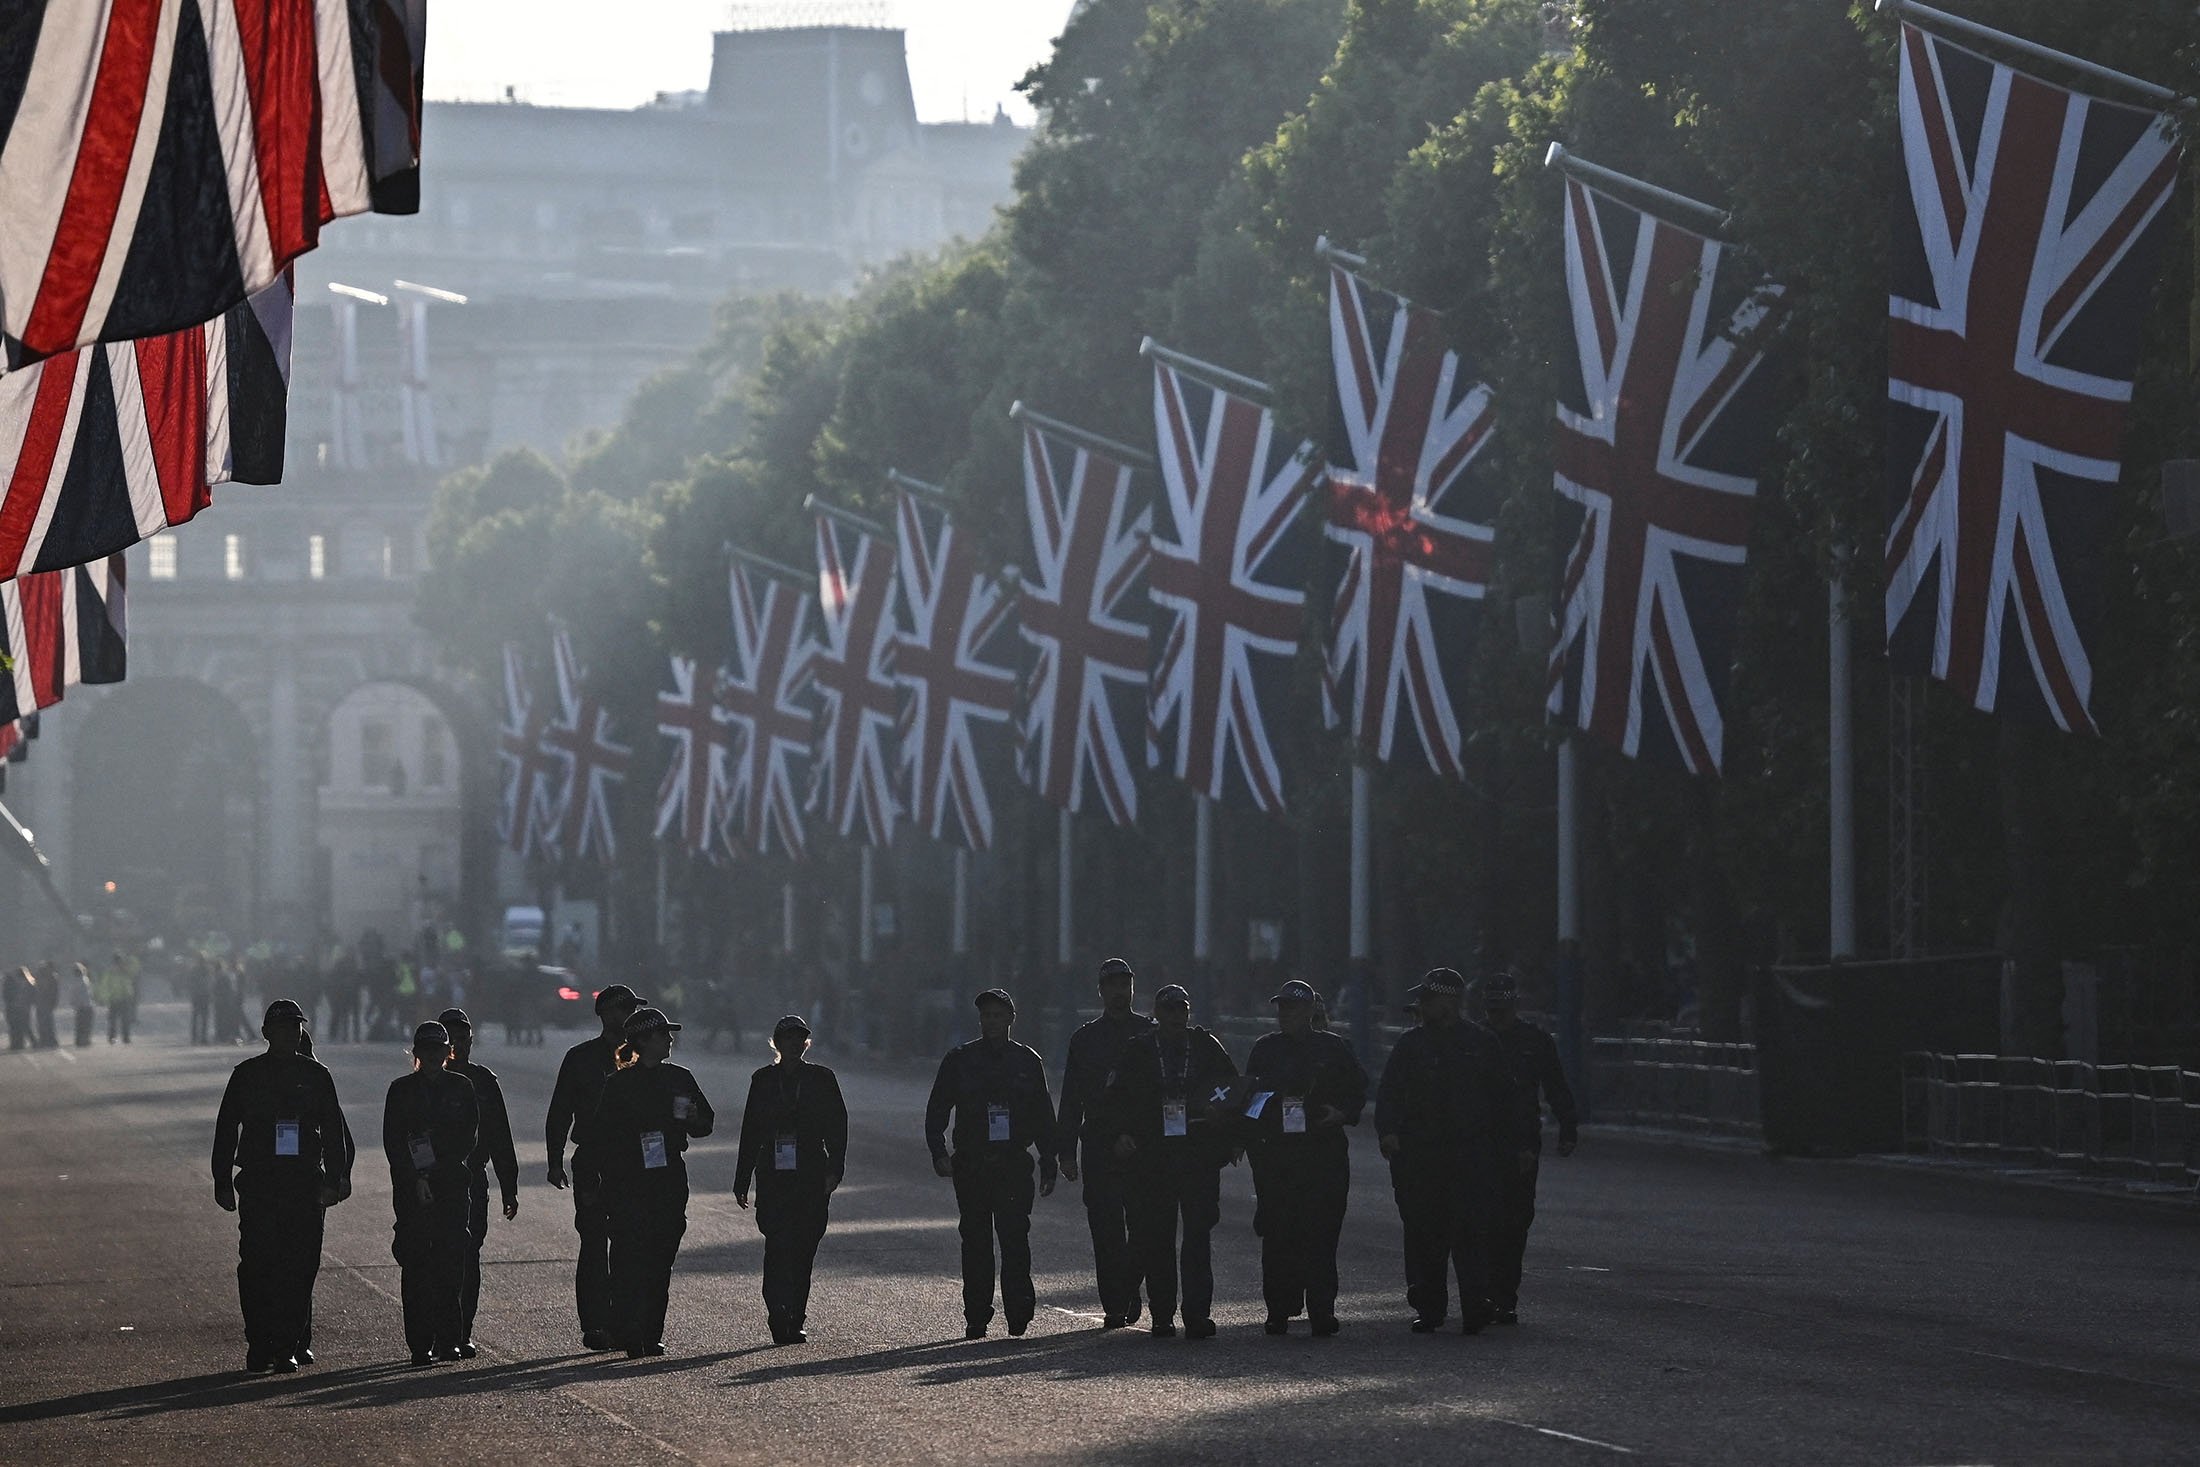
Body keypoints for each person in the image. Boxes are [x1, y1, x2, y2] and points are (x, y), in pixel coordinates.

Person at [1375, 968, 1524, 1335]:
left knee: (1472, 1234)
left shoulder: (1482, 1043)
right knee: (1426, 1235)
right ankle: (1430, 1307)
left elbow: (1506, 1100)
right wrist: (1389, 1133)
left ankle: (1476, 1304)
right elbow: (1389, 1094)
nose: (1422, 1007)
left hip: (1470, 1155)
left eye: (1429, 1000)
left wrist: (1516, 1147)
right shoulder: (1411, 1046)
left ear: (1450, 1002)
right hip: (1422, 1157)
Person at [210, 1000, 351, 1373]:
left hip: (303, 1183)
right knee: (257, 1266)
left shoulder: (317, 1075)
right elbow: (226, 1130)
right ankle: (259, 1343)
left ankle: (287, 1344)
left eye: (295, 1028)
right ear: (266, 1033)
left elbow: (334, 1133)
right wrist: (221, 1181)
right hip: (259, 1183)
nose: (290, 1034)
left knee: (299, 1266)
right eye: (282, 1028)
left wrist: (336, 1179)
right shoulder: (247, 1074)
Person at [1105, 983, 1238, 1339]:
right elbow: (1115, 1100)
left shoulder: (1206, 1047)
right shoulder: (1140, 1051)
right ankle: (1161, 1314)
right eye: (1169, 1010)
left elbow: (1234, 1090)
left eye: (1182, 1009)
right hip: (1154, 1157)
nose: (1177, 1017)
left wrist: (1228, 1134)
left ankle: (1196, 1314)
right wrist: (1120, 1135)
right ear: (1157, 1014)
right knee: (1157, 1237)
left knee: (1197, 1236)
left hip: (1197, 1157)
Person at [925, 989, 1057, 1339]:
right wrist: (938, 1151)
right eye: (986, 1016)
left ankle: (1018, 1312)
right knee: (976, 1242)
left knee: (1015, 1239)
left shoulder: (1028, 1061)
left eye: (998, 1015)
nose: (991, 1022)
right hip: (972, 1164)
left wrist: (1049, 1159)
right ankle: (977, 1315)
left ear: (1011, 1019)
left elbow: (1043, 1114)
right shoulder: (960, 1060)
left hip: (1013, 1163)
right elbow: (938, 1107)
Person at [1242, 978, 1367, 1336]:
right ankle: (1279, 1309)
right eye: (1281, 1007)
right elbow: (1249, 1095)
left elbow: (1358, 1090)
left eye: (1292, 1008)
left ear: (1310, 1011)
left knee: (1321, 1234)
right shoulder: (1266, 1048)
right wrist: (1248, 1139)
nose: (1285, 1014)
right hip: (1278, 1155)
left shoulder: (1334, 1048)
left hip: (1322, 1153)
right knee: (1279, 1233)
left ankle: (1322, 1309)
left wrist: (1341, 1113)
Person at [587, 1006, 714, 1357]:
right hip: (629, 1184)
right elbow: (599, 1137)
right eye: (663, 1034)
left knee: (660, 1260)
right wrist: (599, 1184)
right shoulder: (618, 1084)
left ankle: (651, 1332)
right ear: (643, 1040)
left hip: (668, 1179)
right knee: (629, 1260)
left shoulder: (680, 1078)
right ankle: (628, 1331)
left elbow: (706, 1122)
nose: (670, 1040)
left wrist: (693, 1118)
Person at [733, 1015, 848, 1344]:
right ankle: (777, 1312)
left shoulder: (822, 1079)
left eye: (800, 1039)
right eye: (787, 1039)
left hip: (811, 1171)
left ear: (806, 1043)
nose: (794, 1044)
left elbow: (838, 1127)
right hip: (772, 1173)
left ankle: (796, 1315)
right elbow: (750, 1132)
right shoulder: (763, 1080)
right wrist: (742, 1180)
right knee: (778, 1245)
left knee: (804, 1249)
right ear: (777, 1044)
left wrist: (835, 1170)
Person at [1056, 956, 1155, 1329]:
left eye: (1125, 984)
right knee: (1106, 1228)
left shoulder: (1150, 1034)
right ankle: (1115, 1302)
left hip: (1142, 1144)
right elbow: (1071, 1098)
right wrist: (1065, 1151)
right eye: (1112, 985)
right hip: (1099, 1143)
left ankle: (1128, 1285)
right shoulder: (1085, 1039)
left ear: (1132, 988)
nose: (1119, 991)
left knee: (1144, 1226)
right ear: (1101, 991)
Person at [545, 983, 645, 1350]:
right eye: (626, 1009)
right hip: (593, 1161)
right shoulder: (581, 1058)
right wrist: (554, 1161)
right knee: (593, 1244)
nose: (631, 1016)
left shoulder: (643, 1056)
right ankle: (595, 1324)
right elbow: (560, 1112)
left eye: (633, 1009)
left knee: (628, 1245)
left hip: (633, 1163)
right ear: (607, 1014)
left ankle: (624, 1322)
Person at [1482, 969, 1579, 1325]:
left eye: (1502, 1007)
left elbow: (1555, 1085)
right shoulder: (1475, 1040)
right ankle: (1484, 1292)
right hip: (1479, 1142)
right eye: (1492, 1007)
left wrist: (1568, 1127)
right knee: (1481, 1221)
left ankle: (1504, 1295)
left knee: (1515, 1221)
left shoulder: (1534, 1041)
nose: (1497, 1014)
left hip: (1520, 1142)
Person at [383, 1021, 479, 1366]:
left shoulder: (461, 1087)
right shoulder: (401, 1090)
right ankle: (420, 1343)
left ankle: (449, 1339)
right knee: (416, 1265)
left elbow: (468, 1137)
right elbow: (394, 1142)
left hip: (451, 1185)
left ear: (447, 1052)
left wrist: (435, 1169)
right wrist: (417, 1177)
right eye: (426, 1050)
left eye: (439, 1049)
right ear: (417, 1054)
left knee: (451, 1264)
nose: (433, 1056)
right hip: (412, 1190)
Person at [439, 1008, 520, 1356]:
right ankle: (434, 1330)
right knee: (434, 1256)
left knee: (468, 1256)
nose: (460, 1046)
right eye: (452, 1039)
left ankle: (461, 1331)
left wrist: (509, 1185)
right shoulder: (422, 1085)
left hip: (472, 1178)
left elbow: (500, 1135)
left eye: (465, 1038)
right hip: (435, 1182)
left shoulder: (483, 1082)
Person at [102, 951, 139, 1044]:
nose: (119, 964)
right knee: (113, 1020)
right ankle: (112, 1037)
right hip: (114, 999)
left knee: (125, 1020)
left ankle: (126, 1037)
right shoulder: (110, 973)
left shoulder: (126, 971)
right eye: (117, 962)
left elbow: (134, 972)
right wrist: (105, 997)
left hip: (125, 998)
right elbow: (105, 985)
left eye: (120, 962)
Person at [33, 960, 60, 1047]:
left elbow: (54, 991)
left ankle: (48, 1040)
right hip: (42, 1003)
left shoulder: (51, 977)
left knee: (46, 1022)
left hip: (46, 1003)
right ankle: (45, 1040)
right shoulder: (48, 977)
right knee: (43, 1022)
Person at [4, 965, 30, 1050]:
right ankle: (19, 1043)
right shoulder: (24, 982)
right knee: (19, 1026)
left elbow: (7, 997)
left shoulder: (16, 984)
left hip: (14, 1007)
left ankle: (16, 1043)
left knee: (14, 1027)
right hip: (20, 1007)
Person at [188, 958, 214, 1044]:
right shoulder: (208, 970)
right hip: (204, 996)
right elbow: (210, 983)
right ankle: (202, 1038)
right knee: (203, 1018)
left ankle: (195, 1038)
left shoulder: (194, 970)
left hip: (198, 996)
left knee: (196, 1017)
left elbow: (191, 984)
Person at [71, 962, 96, 1048]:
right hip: (86, 1006)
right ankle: (83, 1039)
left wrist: (74, 1003)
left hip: (82, 1006)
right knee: (85, 1024)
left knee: (81, 1024)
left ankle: (81, 1040)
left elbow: (75, 995)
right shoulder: (86, 980)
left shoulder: (78, 982)